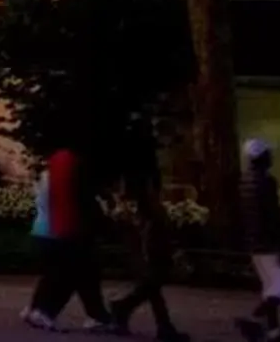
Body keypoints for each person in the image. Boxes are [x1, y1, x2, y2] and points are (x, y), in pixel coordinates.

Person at [106, 142, 189, 341]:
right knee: (155, 275)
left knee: (153, 277)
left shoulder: (136, 156)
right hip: (148, 217)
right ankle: (141, 315)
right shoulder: (141, 162)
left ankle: (152, 320)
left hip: (145, 216)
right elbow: (145, 187)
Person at [23, 143, 109, 332]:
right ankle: (45, 311)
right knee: (72, 274)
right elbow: (82, 201)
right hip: (61, 231)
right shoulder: (70, 173)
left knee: (71, 274)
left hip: (48, 230)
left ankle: (95, 314)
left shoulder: (51, 174)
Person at [236, 140, 280, 342]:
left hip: (254, 242)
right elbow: (272, 216)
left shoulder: (244, 181)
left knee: (269, 288)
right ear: (262, 158)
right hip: (268, 243)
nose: (271, 158)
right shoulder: (266, 182)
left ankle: (274, 331)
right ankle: (252, 318)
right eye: (268, 154)